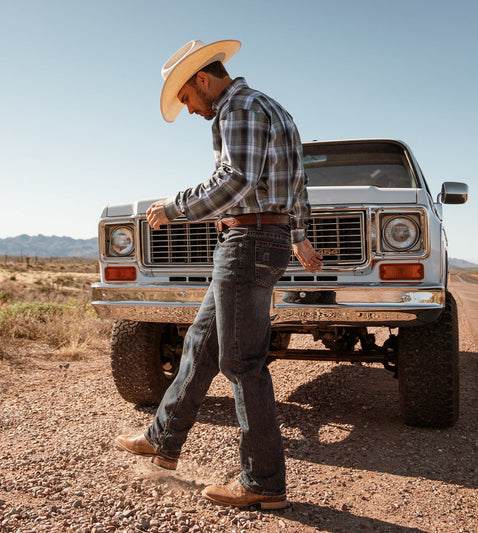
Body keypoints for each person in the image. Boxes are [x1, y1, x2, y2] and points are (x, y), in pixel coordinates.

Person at [116, 39, 323, 509]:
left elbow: (235, 180)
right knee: (201, 344)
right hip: (260, 241)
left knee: (243, 362)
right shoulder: (274, 108)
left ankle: (263, 483)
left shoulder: (238, 108)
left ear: (202, 80)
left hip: (247, 244)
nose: (189, 110)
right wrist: (297, 235)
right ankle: (163, 440)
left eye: (187, 98)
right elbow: (295, 183)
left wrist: (174, 207)